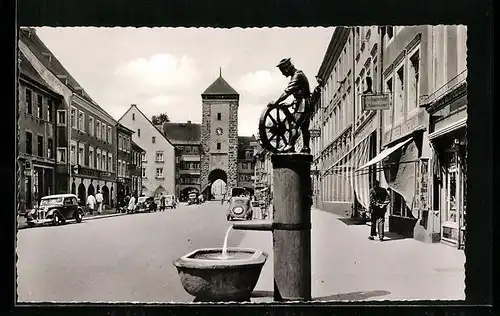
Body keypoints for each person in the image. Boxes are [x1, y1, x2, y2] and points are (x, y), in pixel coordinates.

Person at [269, 58, 317, 154]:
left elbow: (287, 92)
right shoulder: (297, 75)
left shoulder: (297, 76)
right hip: (303, 103)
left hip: (303, 104)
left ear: (287, 69)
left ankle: (290, 146)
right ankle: (306, 148)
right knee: (304, 128)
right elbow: (301, 93)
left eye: (283, 71)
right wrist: (290, 104)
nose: (283, 74)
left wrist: (276, 103)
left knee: (294, 126)